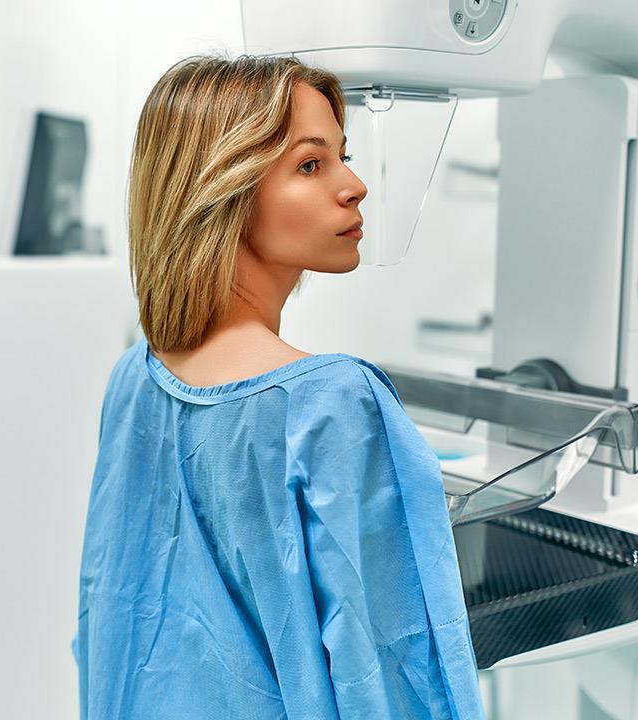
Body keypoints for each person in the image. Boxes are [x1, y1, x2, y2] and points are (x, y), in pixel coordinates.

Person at [74, 56, 484, 718]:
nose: (355, 187)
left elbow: (109, 615)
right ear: (224, 191)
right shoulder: (331, 403)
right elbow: (387, 674)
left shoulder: (135, 377)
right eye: (311, 165)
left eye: (343, 158)